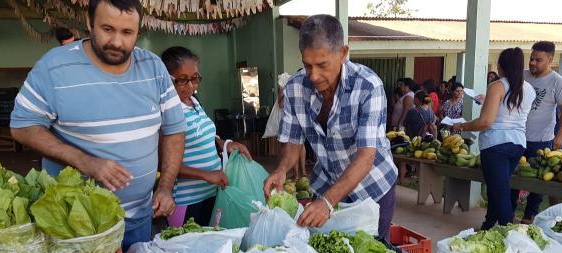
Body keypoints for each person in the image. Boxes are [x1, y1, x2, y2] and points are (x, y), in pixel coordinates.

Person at [10, 0, 186, 252]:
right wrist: (86, 162)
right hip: (76, 229)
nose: (116, 41)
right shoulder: (54, 67)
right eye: (107, 29)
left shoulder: (154, 68)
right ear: (89, 22)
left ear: (138, 31)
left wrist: (166, 187)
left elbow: (174, 132)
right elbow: (22, 127)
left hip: (139, 220)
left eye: (127, 33)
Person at [263, 14, 398, 241]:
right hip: (327, 183)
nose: (314, 76)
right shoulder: (295, 88)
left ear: (343, 53)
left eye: (322, 65)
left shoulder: (368, 86)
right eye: (307, 65)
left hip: (372, 188)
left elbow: (366, 157)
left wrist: (327, 201)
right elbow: (293, 141)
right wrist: (282, 169)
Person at [160, 46, 251, 227]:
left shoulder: (194, 101)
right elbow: (163, 164)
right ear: (167, 79)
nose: (191, 86)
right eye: (182, 80)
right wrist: (205, 175)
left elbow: (205, 134)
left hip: (211, 194)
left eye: (195, 78)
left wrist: (224, 143)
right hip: (186, 200)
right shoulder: (167, 110)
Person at [454, 48, 536, 229]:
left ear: (501, 65)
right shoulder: (528, 88)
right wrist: (488, 100)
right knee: (496, 187)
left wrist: (462, 126)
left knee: (499, 191)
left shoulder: (497, 86)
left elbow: (485, 122)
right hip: (517, 144)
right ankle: (488, 224)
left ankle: (509, 233)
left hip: (496, 144)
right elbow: (509, 110)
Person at [511, 41, 562, 224]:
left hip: (541, 139)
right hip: (517, 136)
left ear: (550, 60)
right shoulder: (521, 76)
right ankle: (508, 213)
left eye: (538, 60)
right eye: (531, 59)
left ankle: (529, 216)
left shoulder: (558, 82)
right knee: (513, 176)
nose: (532, 63)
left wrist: (561, 134)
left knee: (538, 182)